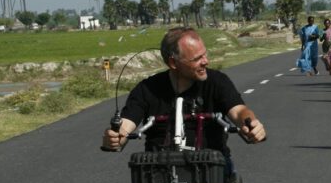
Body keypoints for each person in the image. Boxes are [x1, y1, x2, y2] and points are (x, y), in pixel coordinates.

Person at [101, 27, 267, 154]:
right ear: (173, 63)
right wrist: (116, 137)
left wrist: (251, 124)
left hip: (210, 169)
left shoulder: (216, 82)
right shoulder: (146, 89)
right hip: (158, 172)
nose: (206, 62)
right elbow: (126, 124)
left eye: (205, 55)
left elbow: (239, 112)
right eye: (197, 59)